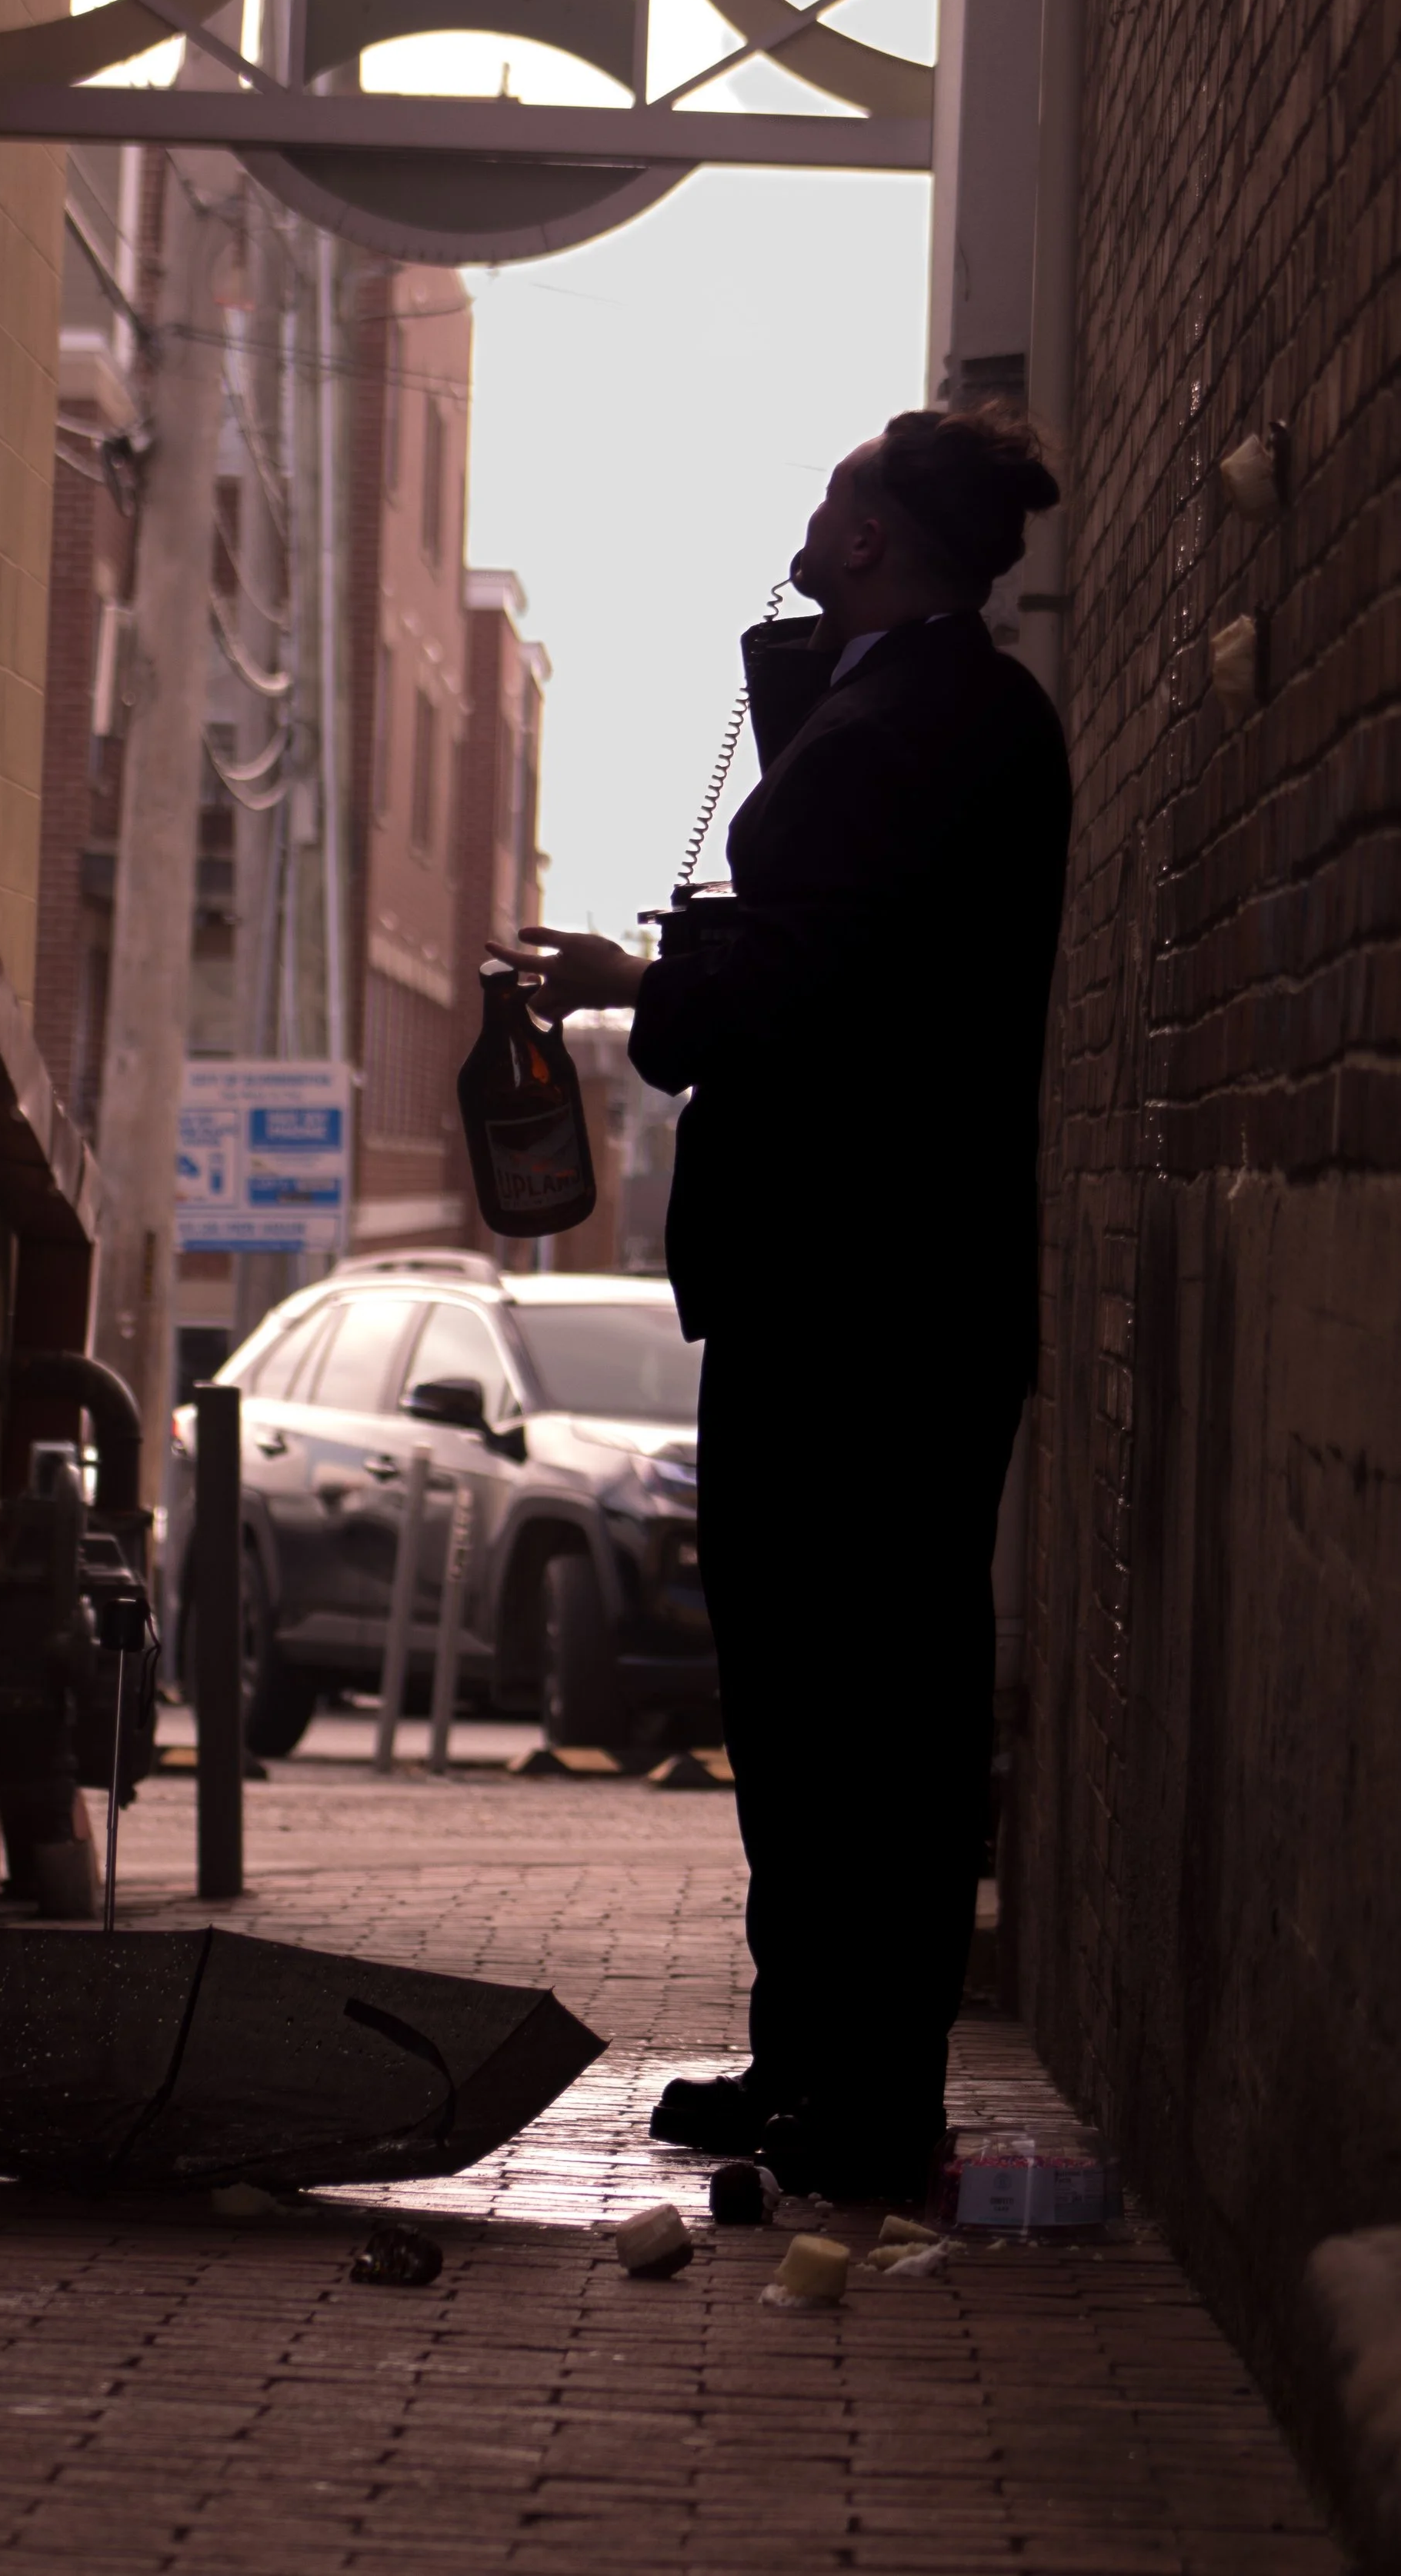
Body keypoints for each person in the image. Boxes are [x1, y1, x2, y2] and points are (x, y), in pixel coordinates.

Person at [492, 407, 1072, 2201]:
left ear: (883, 538)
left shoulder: (890, 730)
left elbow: (800, 991)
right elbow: (847, 946)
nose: (806, 521)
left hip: (850, 1296)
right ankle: (821, 2065)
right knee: (849, 1694)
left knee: (848, 1705)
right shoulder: (945, 711)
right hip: (901, 1285)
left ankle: (856, 2096)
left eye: (835, 500)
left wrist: (638, 989)